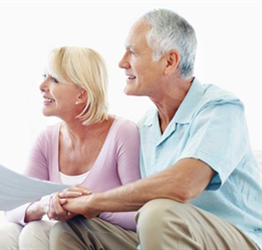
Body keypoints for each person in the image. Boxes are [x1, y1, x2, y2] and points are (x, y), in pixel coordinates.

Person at [50, 9, 262, 250]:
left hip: (239, 238)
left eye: (133, 52)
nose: (121, 62)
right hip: (165, 235)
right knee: (71, 231)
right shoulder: (145, 126)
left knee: (157, 212)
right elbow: (131, 194)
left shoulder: (220, 108)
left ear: (169, 62)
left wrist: (94, 202)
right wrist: (74, 201)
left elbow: (184, 184)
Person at [0, 47, 141, 249]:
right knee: (6, 231)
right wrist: (45, 205)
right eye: (45, 76)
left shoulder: (123, 132)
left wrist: (90, 205)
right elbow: (13, 209)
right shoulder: (47, 139)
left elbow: (139, 213)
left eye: (54, 80)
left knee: (36, 231)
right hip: (67, 238)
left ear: (81, 94)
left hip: (108, 240)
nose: (42, 86)